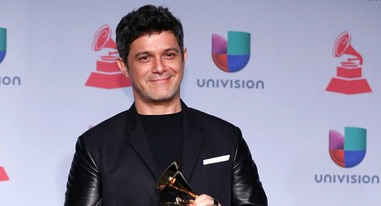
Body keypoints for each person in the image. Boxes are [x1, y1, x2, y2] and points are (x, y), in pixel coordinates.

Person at [64, 4, 267, 206]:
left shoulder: (227, 138)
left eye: (169, 55)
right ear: (123, 67)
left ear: (184, 58)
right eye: (145, 58)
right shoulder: (96, 147)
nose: (160, 67)